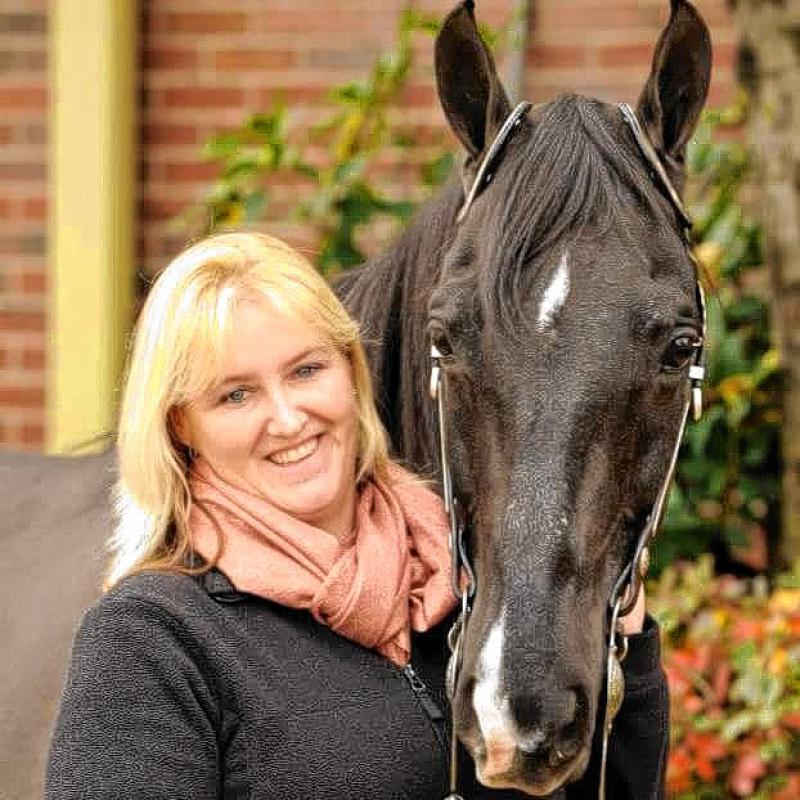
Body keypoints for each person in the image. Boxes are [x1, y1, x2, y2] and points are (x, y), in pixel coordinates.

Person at [46, 231, 666, 799]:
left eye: (306, 370)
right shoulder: (153, 639)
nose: (288, 419)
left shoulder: (464, 590)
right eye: (236, 395)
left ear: (351, 372)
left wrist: (628, 653)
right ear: (181, 427)